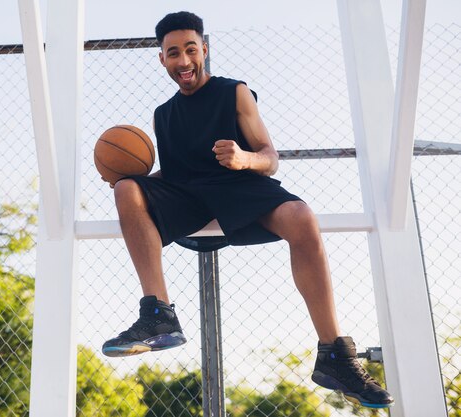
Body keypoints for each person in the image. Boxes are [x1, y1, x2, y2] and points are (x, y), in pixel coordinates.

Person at [101, 11, 394, 409]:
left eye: (191, 49)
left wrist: (243, 159)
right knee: (125, 189)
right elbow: (174, 171)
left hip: (238, 185)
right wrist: (129, 178)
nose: (183, 61)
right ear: (162, 60)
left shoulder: (234, 92)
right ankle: (158, 314)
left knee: (302, 217)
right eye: (173, 53)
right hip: (190, 193)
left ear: (204, 49)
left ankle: (334, 355)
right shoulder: (162, 115)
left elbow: (270, 158)